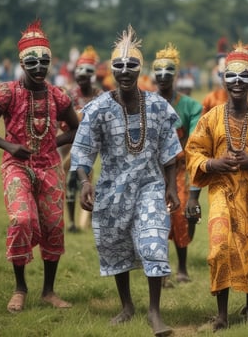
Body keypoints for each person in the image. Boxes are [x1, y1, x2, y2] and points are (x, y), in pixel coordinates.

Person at [70, 25, 180, 336]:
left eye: (131, 65)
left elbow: (170, 151)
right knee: (114, 245)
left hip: (149, 185)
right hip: (111, 189)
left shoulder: (158, 106)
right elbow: (83, 151)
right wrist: (86, 182)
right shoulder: (98, 109)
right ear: (112, 69)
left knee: (154, 242)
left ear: (140, 68)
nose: (125, 71)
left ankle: (155, 312)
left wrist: (170, 186)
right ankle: (127, 305)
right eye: (118, 66)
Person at [0, 19, 78, 313]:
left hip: (50, 168)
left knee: (53, 226)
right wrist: (10, 147)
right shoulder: (8, 93)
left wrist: (52, 144)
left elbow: (75, 128)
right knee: (21, 220)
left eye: (44, 61)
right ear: (22, 62)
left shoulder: (58, 95)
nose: (38, 66)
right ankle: (20, 287)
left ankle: (49, 291)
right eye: (31, 61)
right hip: (16, 166)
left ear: (50, 62)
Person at [185, 42, 248, 331]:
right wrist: (212, 165)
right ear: (223, 79)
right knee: (219, 247)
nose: (237, 82)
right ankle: (222, 315)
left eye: (244, 76)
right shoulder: (211, 117)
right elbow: (193, 151)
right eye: (232, 76)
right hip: (222, 191)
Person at [152, 43, 203, 286]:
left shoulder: (191, 106)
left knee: (182, 215)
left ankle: (182, 267)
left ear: (176, 75)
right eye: (159, 73)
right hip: (152, 169)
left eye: (168, 72)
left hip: (181, 168)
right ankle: (161, 271)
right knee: (156, 218)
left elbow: (193, 141)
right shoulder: (146, 103)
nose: (163, 77)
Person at [60, 45, 103, 232]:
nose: (82, 77)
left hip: (93, 146)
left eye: (86, 74)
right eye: (79, 73)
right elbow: (61, 121)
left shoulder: (100, 95)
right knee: (70, 181)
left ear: (91, 76)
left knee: (90, 181)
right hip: (70, 144)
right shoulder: (69, 95)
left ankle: (91, 217)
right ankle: (71, 222)